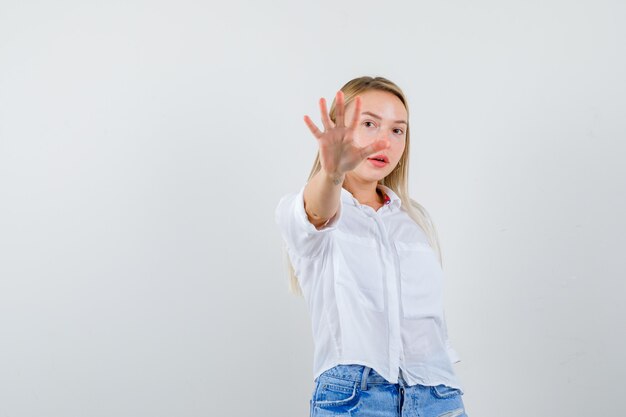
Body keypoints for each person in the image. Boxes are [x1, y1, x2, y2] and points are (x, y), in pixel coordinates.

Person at [274, 76, 468, 417]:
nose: (385, 140)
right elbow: (317, 214)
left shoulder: (414, 222)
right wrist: (333, 174)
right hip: (357, 398)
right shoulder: (309, 211)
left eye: (398, 130)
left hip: (437, 396)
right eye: (369, 124)